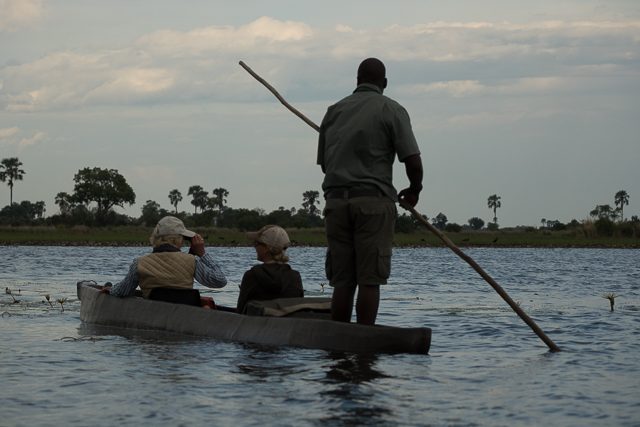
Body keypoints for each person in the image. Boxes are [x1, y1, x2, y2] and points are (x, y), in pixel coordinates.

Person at [317, 57, 423, 325]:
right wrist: (414, 190)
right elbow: (412, 160)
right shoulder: (392, 110)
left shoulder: (334, 111)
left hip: (337, 204)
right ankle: (364, 342)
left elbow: (325, 166)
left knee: (342, 281)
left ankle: (338, 340)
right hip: (372, 204)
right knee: (369, 279)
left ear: (357, 81)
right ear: (384, 83)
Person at [105, 216, 227, 299]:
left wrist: (109, 289)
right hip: (184, 318)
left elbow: (122, 292)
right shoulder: (192, 261)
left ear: (156, 237)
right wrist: (202, 254)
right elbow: (220, 281)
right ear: (178, 239)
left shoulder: (139, 263)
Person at [236, 225, 304, 314]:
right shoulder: (295, 277)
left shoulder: (251, 276)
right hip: (286, 325)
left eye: (256, 243)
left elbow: (240, 312)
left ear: (266, 248)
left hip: (255, 325)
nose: (254, 246)